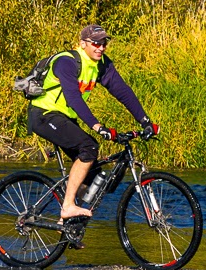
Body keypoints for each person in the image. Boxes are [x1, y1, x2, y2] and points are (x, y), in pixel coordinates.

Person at [29, 24, 158, 220]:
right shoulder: (67, 62)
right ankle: (68, 206)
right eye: (95, 43)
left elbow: (122, 91)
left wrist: (145, 120)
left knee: (93, 172)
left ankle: (67, 224)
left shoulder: (101, 64)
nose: (101, 47)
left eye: (104, 43)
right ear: (82, 44)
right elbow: (74, 98)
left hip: (65, 117)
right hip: (44, 114)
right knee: (89, 146)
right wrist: (97, 126)